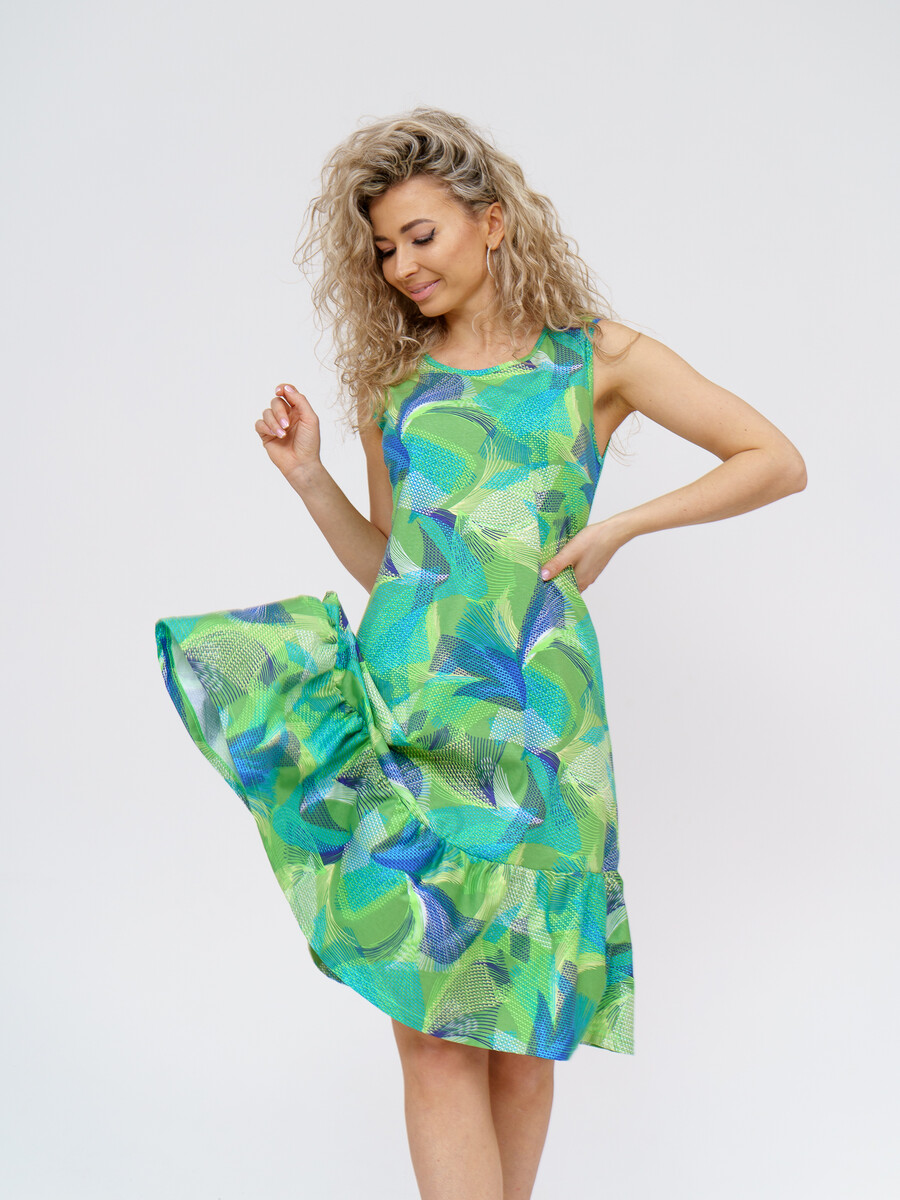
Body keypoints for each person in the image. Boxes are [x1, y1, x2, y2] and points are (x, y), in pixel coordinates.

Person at [154, 106, 806, 1200]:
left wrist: (620, 527)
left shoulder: (596, 360)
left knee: (522, 1032)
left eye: (421, 236)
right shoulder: (395, 384)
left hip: (540, 724)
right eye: (384, 249)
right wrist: (311, 478)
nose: (402, 266)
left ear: (493, 221)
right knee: (432, 1030)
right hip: (412, 717)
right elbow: (396, 568)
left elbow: (773, 459)